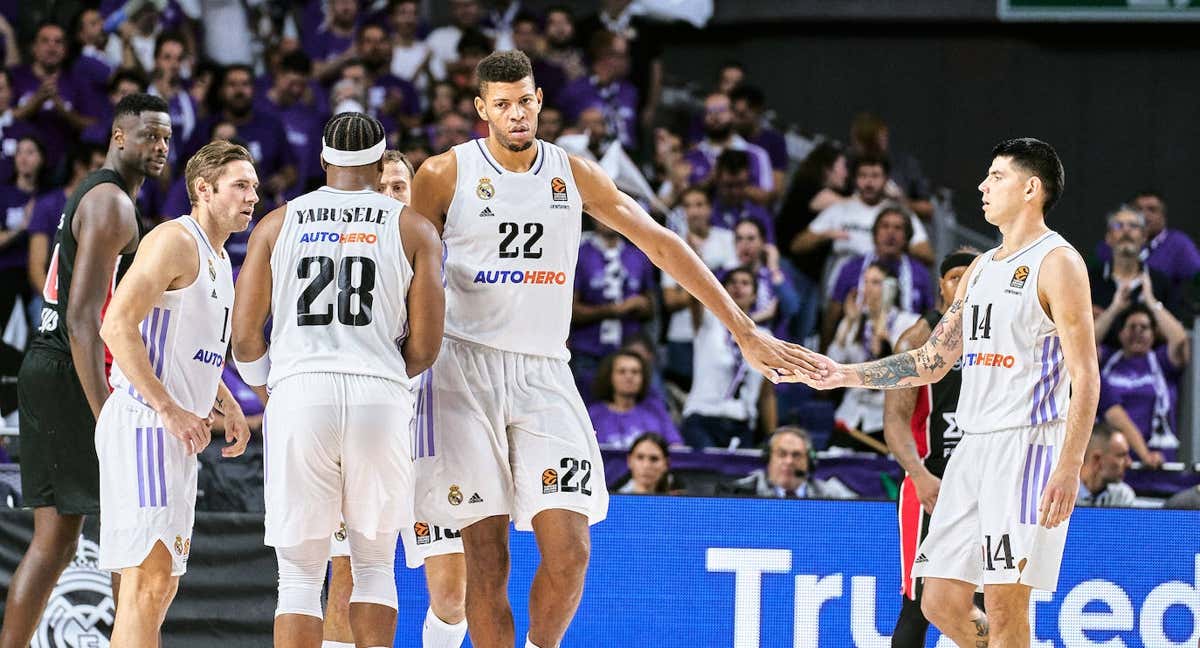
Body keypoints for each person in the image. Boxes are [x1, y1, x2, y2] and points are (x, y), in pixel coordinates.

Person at [409, 50, 817, 648]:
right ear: (481, 110)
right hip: (463, 370)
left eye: (525, 100)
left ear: (540, 100)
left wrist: (743, 328)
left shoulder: (572, 174)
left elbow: (659, 242)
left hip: (544, 371)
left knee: (571, 549)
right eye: (502, 105)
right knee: (486, 559)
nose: (517, 113)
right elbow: (407, 273)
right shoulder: (444, 173)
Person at [805, 138, 1100, 647]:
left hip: (1026, 445)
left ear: (1031, 188)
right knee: (937, 601)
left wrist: (1070, 465)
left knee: (1007, 608)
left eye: (996, 176)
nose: (983, 187)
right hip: (971, 447)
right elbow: (931, 360)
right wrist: (843, 373)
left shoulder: (1059, 262)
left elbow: (1086, 375)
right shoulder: (982, 268)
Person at [231, 112, 444, 648]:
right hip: (379, 394)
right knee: (374, 568)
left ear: (324, 161)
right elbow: (425, 347)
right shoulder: (413, 228)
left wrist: (268, 388)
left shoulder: (279, 223)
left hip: (301, 392)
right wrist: (384, 372)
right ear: (379, 164)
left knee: (299, 578)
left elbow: (244, 339)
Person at [1, 93, 171, 648]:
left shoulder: (104, 195)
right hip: (71, 372)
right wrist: (107, 416)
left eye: (166, 137)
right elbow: (81, 319)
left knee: (58, 542)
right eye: (148, 135)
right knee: (124, 537)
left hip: (52, 370)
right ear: (118, 136)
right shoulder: (112, 203)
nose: (160, 146)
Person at [95, 139, 255, 645]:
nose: (253, 196)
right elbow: (116, 326)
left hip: (172, 430)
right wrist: (168, 408)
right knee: (148, 582)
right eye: (241, 185)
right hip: (147, 422)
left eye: (254, 186)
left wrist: (224, 400)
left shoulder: (220, 259)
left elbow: (195, 349)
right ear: (203, 190)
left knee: (158, 588)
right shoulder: (173, 240)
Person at [321, 150, 468, 648]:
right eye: (380, 189)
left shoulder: (446, 263)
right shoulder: (341, 268)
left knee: (452, 592)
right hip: (362, 435)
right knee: (347, 581)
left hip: (432, 441)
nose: (390, 198)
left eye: (399, 188)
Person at [882, 250, 976, 648]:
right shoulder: (918, 339)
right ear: (941, 286)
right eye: (955, 277)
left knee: (988, 599)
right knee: (918, 603)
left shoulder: (1002, 336)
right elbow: (895, 421)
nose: (963, 284)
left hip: (984, 481)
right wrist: (919, 476)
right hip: (930, 481)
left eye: (972, 275)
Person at [793, 155, 934, 296]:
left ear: (886, 180)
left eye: (875, 176)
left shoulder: (896, 214)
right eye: (863, 175)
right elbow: (797, 246)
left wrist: (894, 242)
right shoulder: (841, 209)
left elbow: (928, 255)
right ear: (854, 179)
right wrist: (825, 235)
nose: (869, 182)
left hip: (884, 295)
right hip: (839, 293)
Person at [680, 267, 778, 449]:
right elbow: (694, 294)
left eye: (745, 283)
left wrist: (772, 436)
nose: (738, 287)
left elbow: (767, 394)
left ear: (755, 295)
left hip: (741, 423)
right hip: (702, 418)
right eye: (732, 283)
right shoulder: (708, 323)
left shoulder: (765, 337)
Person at [827, 262, 920, 446]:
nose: (868, 289)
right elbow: (833, 361)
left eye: (876, 282)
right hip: (851, 415)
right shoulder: (856, 320)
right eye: (866, 281)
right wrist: (847, 324)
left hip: (884, 416)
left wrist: (885, 341)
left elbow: (909, 371)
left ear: (891, 288)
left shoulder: (909, 323)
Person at [1096, 302, 1189, 465]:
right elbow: (1084, 343)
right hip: (1113, 465)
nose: (1138, 332)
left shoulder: (1162, 361)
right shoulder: (1107, 359)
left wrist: (1152, 302)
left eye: (1144, 327)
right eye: (1132, 327)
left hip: (1156, 466)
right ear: (1120, 334)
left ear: (1154, 334)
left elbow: (1180, 339)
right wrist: (1116, 306)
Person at [1089, 204, 1184, 331]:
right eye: (1118, 226)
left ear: (1144, 237)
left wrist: (1152, 302)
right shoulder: (1089, 280)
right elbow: (1078, 341)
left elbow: (1179, 340)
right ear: (1108, 237)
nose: (1126, 230)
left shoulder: (1161, 282)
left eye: (1133, 226)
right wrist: (1113, 310)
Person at [714, 427, 854, 499]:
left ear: (810, 461)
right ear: (768, 457)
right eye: (781, 454)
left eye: (796, 455)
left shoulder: (830, 493)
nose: (788, 461)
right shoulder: (743, 491)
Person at [587, 350, 680, 447]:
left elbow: (676, 447)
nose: (629, 377)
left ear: (643, 378)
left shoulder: (655, 410)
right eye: (622, 371)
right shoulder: (594, 414)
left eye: (635, 372)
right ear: (610, 377)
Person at [1075, 423, 1135, 507]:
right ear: (1097, 459)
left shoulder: (1122, 496)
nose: (1129, 463)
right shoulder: (1061, 492)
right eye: (1121, 455)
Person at [614, 433, 682, 495]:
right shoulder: (612, 500)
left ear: (666, 464)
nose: (646, 465)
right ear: (629, 461)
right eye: (640, 457)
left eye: (654, 459)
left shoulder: (679, 501)